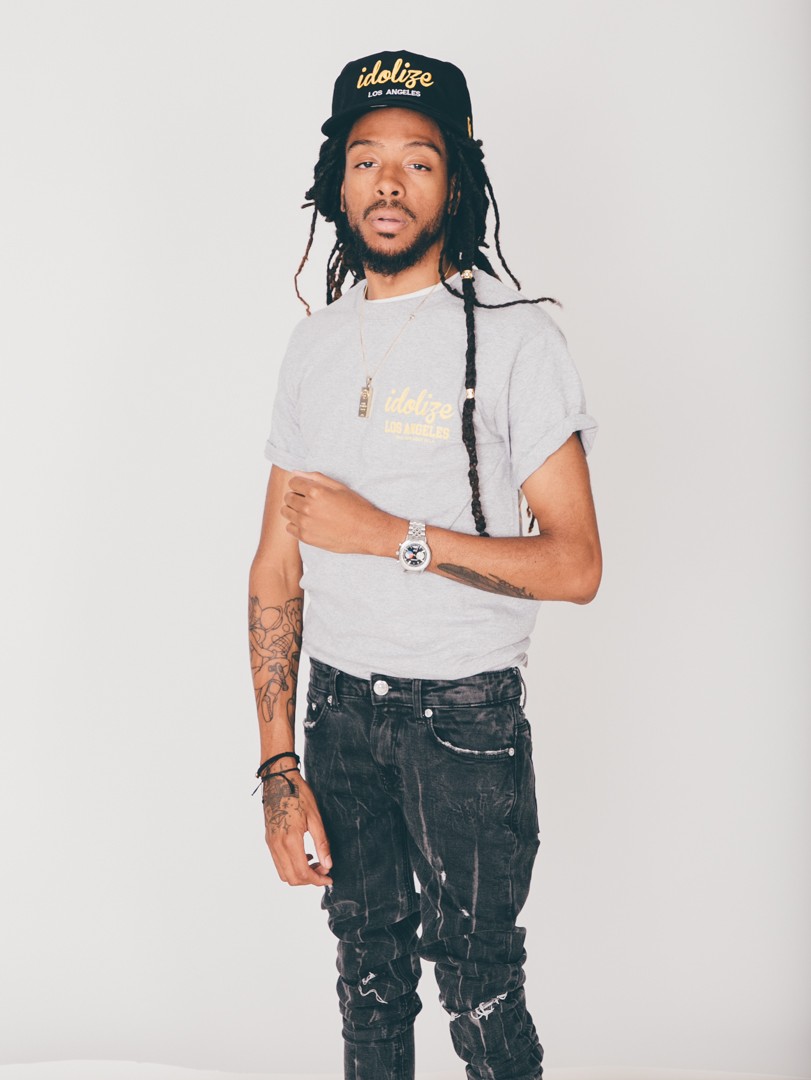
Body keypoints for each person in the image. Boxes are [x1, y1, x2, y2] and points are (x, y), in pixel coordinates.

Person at [248, 48, 601, 1080]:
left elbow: (576, 565)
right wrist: (277, 768)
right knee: (367, 982)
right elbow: (274, 568)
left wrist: (389, 535)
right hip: (337, 711)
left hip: (462, 719)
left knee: (480, 995)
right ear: (337, 180)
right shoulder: (314, 347)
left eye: (418, 160)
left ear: (456, 181)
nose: (389, 183)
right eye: (366, 160)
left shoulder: (515, 341)